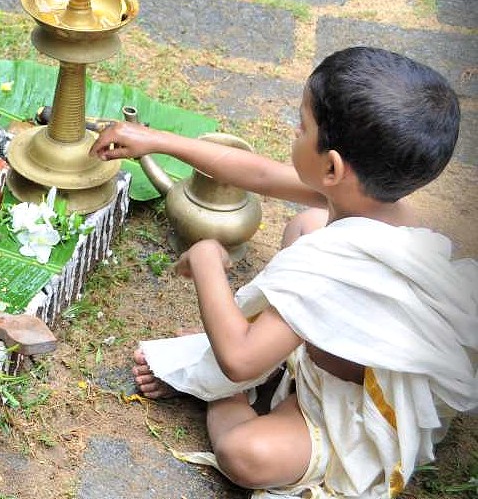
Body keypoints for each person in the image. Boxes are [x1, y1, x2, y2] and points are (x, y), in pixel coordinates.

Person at [89, 47, 477, 498]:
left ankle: (229, 399)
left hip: (345, 405)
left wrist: (207, 257)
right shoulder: (373, 203)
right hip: (330, 347)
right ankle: (274, 362)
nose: (293, 130)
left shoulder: (335, 269)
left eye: (302, 125)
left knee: (245, 455)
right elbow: (262, 175)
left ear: (332, 167)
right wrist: (155, 140)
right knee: (305, 225)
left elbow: (238, 360)